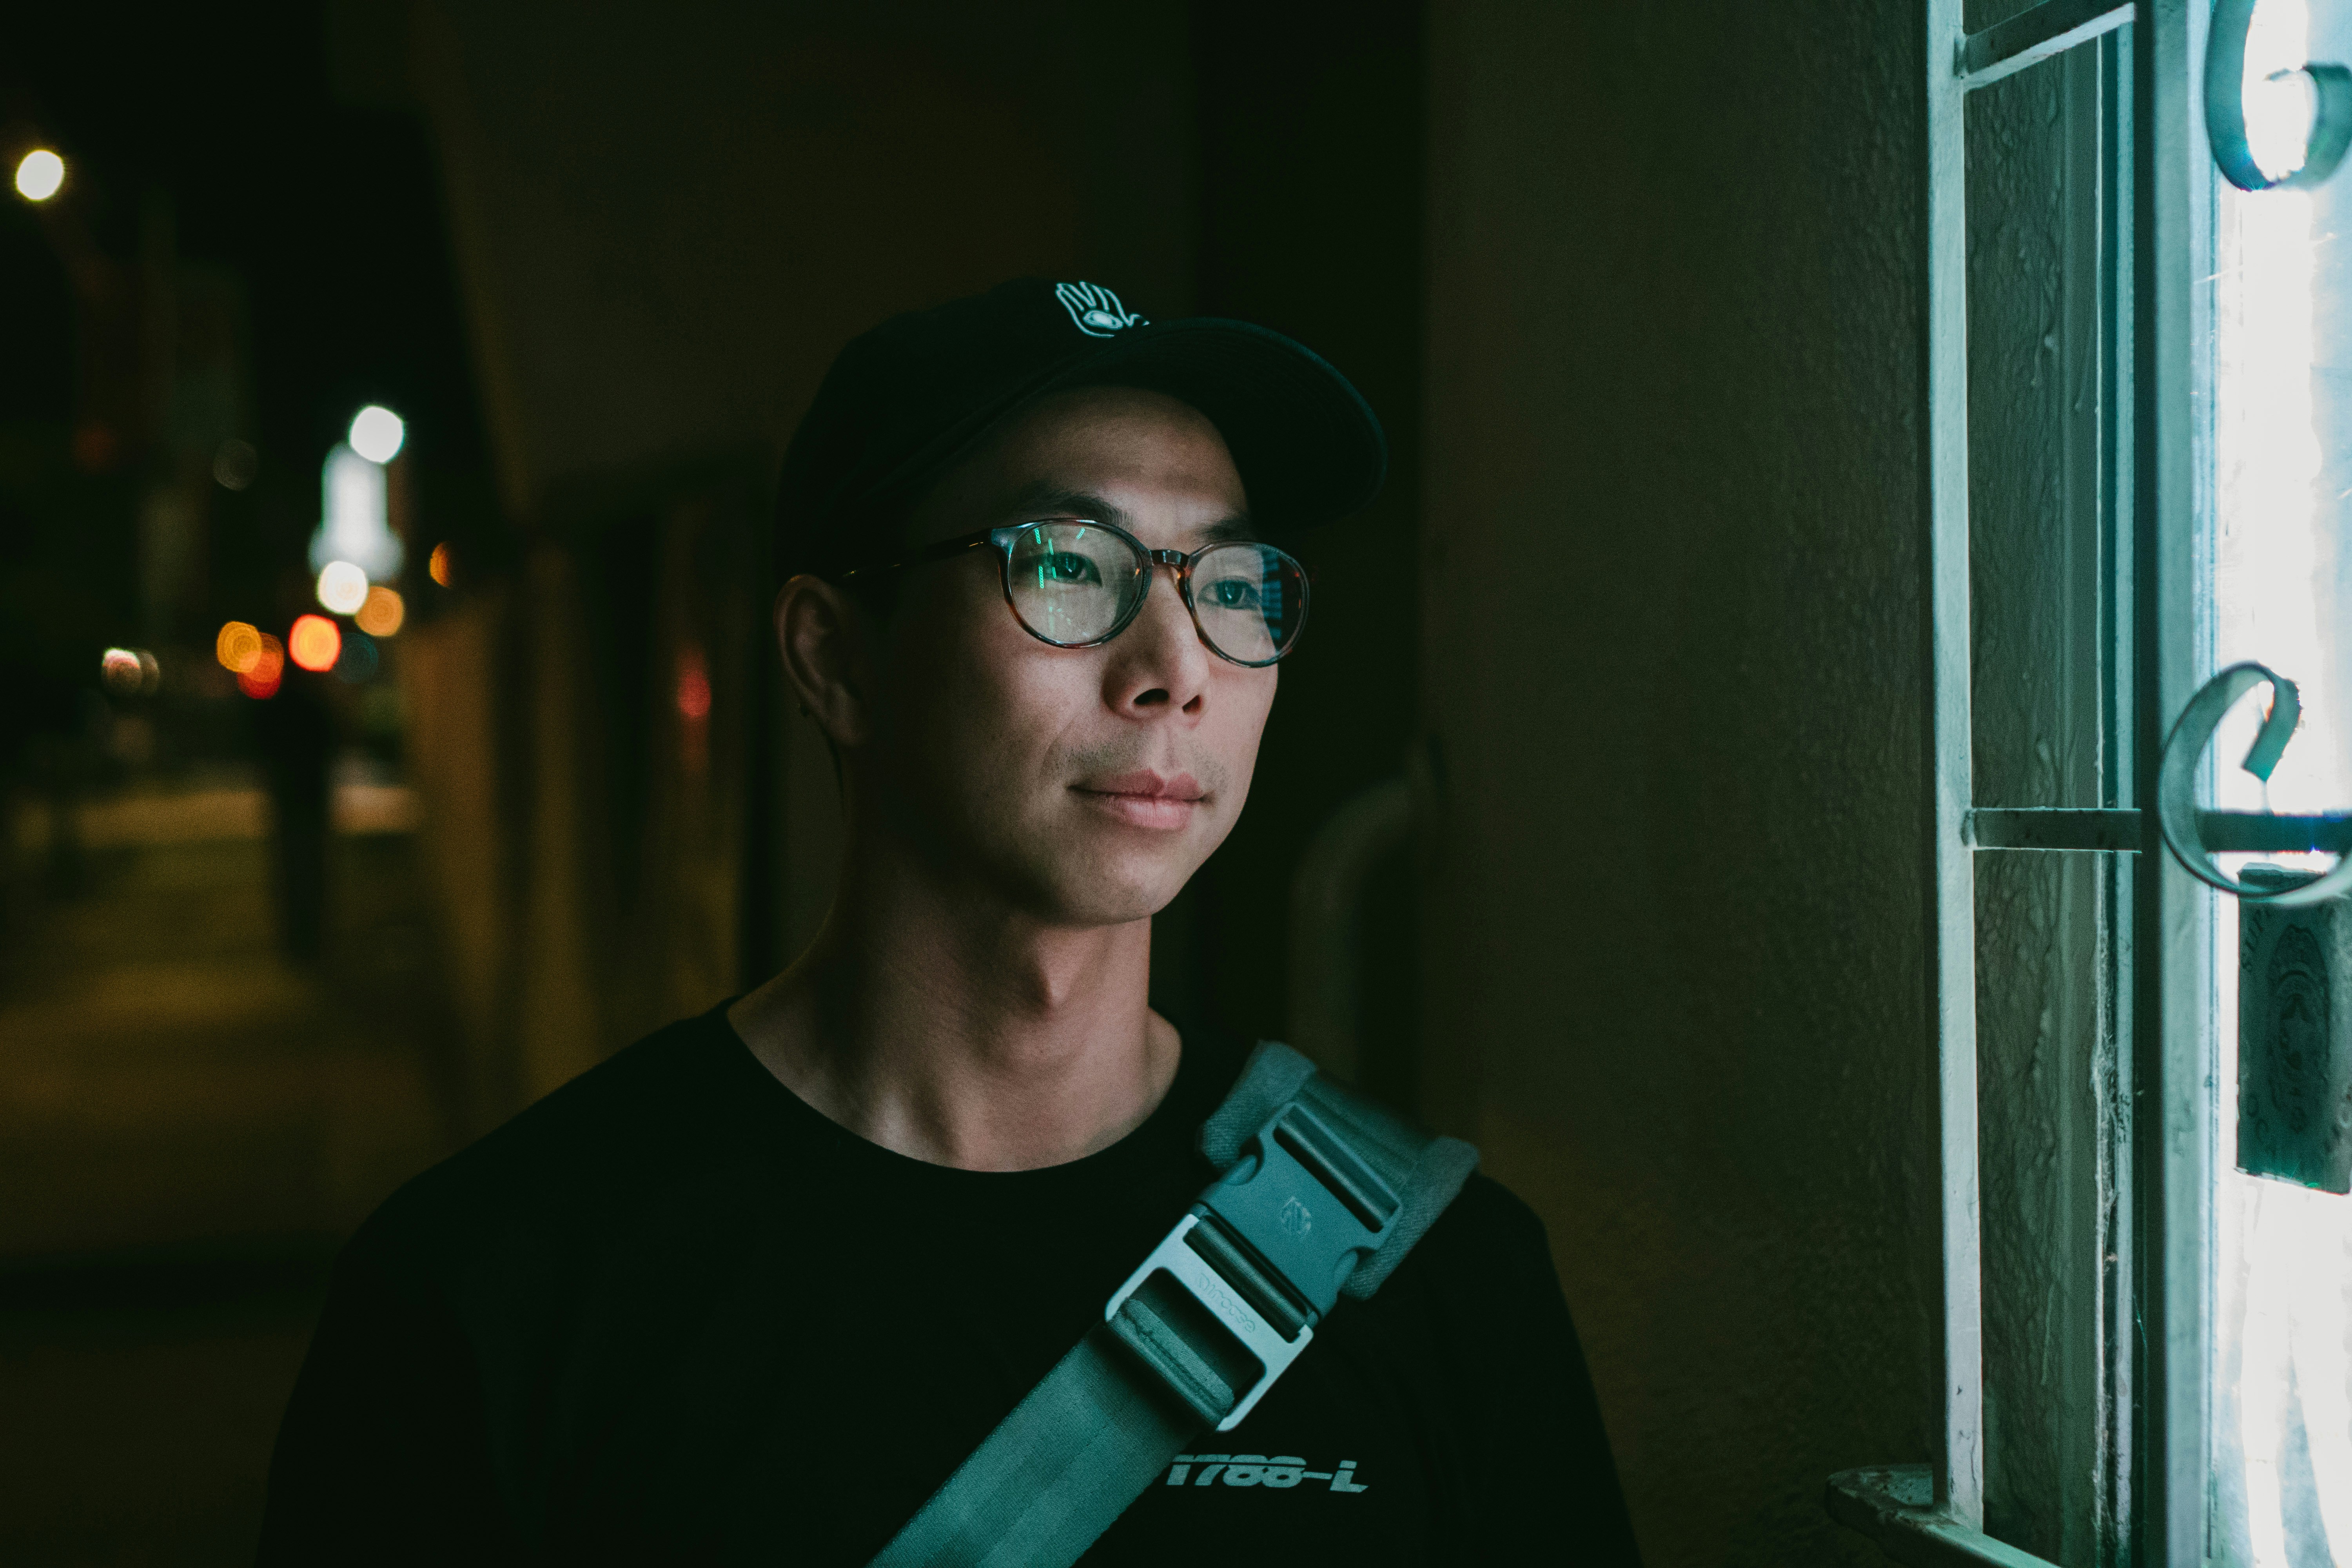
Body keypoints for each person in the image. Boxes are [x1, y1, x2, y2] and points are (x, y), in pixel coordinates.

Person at [256, 279, 1642, 1565]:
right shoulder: (500, 1295)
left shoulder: (1434, 1281)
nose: (1176, 673)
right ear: (836, 659)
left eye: (1229, 587)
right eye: (1067, 566)